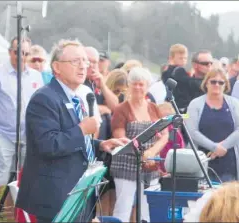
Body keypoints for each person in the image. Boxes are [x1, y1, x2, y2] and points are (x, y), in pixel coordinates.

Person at [15, 39, 128, 223]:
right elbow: (49, 145)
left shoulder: (76, 97)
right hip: (56, 195)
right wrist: (82, 129)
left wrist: (99, 144)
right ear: (57, 67)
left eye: (86, 61)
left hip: (77, 192)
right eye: (76, 61)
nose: (83, 66)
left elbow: (71, 141)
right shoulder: (44, 98)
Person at [0, 36, 44, 215]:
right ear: (10, 52)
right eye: (18, 52)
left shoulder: (36, 76)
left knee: (21, 184)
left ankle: (10, 218)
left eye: (26, 53)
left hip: (27, 138)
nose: (21, 56)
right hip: (4, 136)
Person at [110, 67, 169, 222]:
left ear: (147, 86)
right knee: (123, 208)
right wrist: (142, 153)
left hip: (150, 165)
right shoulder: (121, 109)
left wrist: (151, 153)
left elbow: (164, 135)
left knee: (148, 210)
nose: (137, 87)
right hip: (126, 165)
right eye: (134, 84)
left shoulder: (153, 107)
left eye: (141, 84)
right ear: (128, 85)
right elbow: (120, 138)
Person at [186, 68, 239, 182]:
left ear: (225, 85)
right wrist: (214, 147)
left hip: (228, 163)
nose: (217, 84)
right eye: (213, 81)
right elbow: (192, 131)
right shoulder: (195, 104)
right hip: (201, 161)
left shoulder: (234, 103)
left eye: (221, 82)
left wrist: (223, 146)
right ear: (206, 83)